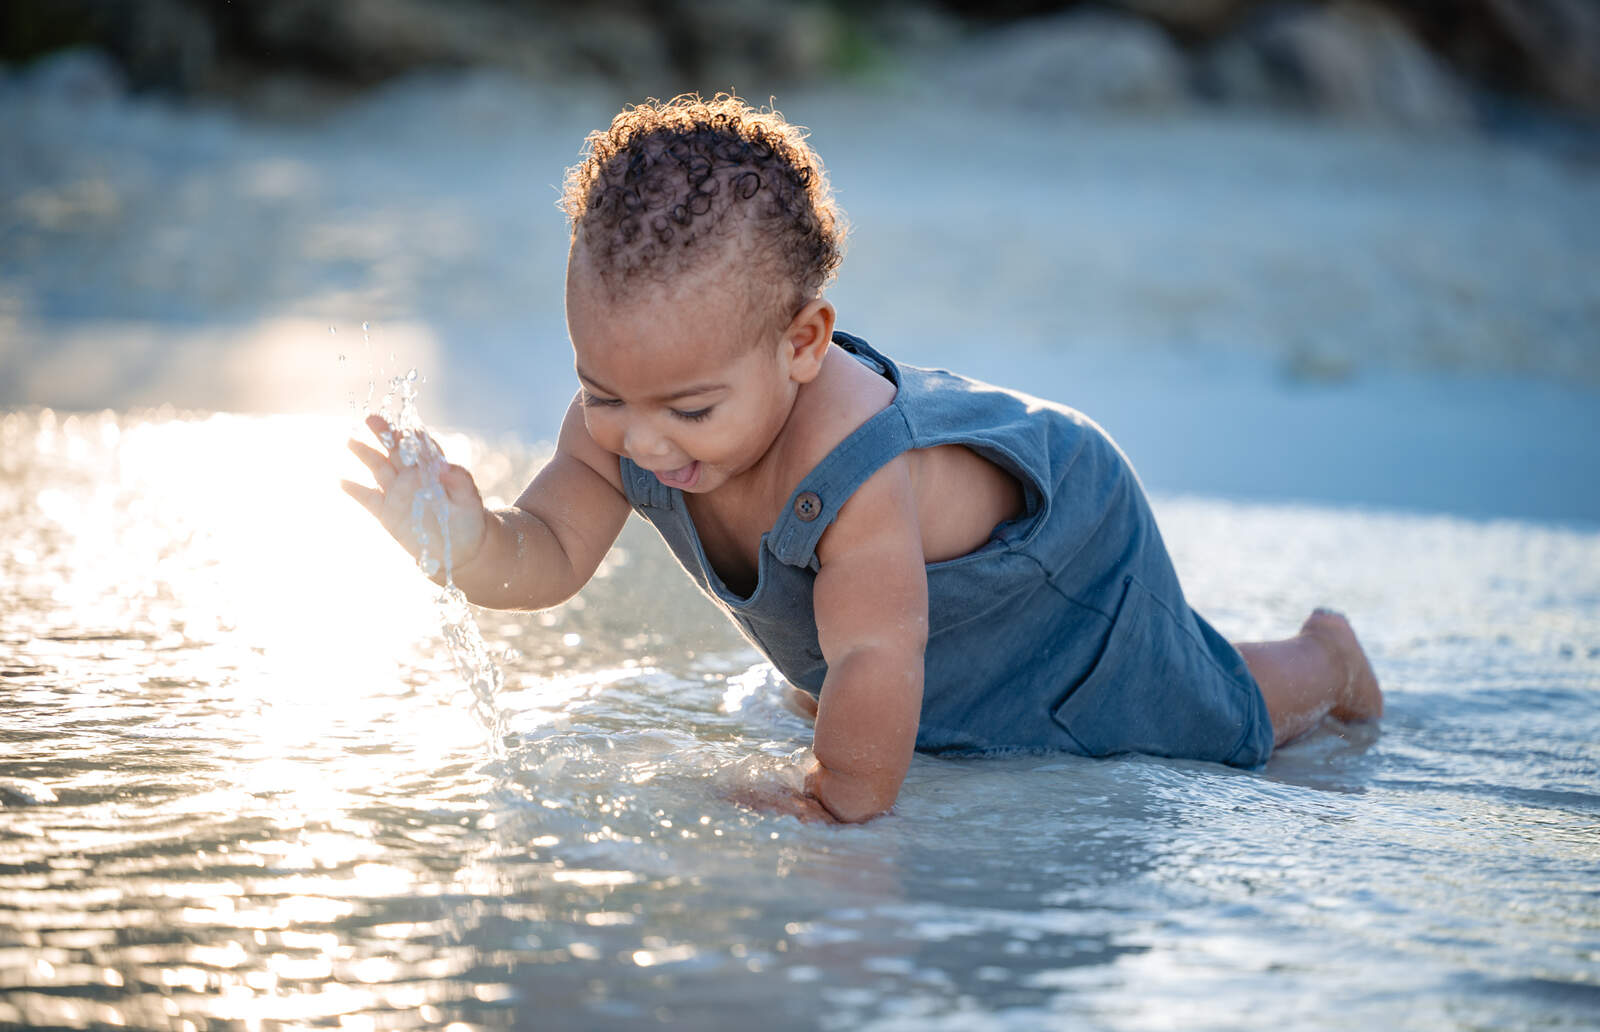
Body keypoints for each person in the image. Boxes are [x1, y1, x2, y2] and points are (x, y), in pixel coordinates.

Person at [343, 93, 1382, 823]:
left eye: (689, 407)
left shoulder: (849, 467)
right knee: (870, 669)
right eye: (604, 391)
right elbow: (547, 558)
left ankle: (1321, 661)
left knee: (1186, 712)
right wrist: (463, 535)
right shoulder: (625, 425)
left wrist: (840, 799)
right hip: (918, 599)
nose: (642, 441)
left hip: (1057, 548)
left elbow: (881, 656)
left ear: (801, 345)